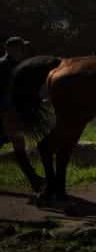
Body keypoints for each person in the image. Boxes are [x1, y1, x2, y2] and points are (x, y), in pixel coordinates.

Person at [0, 36, 43, 191]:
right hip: (7, 113)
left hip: (11, 113)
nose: (23, 51)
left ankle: (34, 179)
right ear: (11, 49)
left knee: (19, 147)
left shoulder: (15, 64)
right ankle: (34, 179)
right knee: (19, 146)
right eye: (20, 48)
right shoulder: (4, 65)